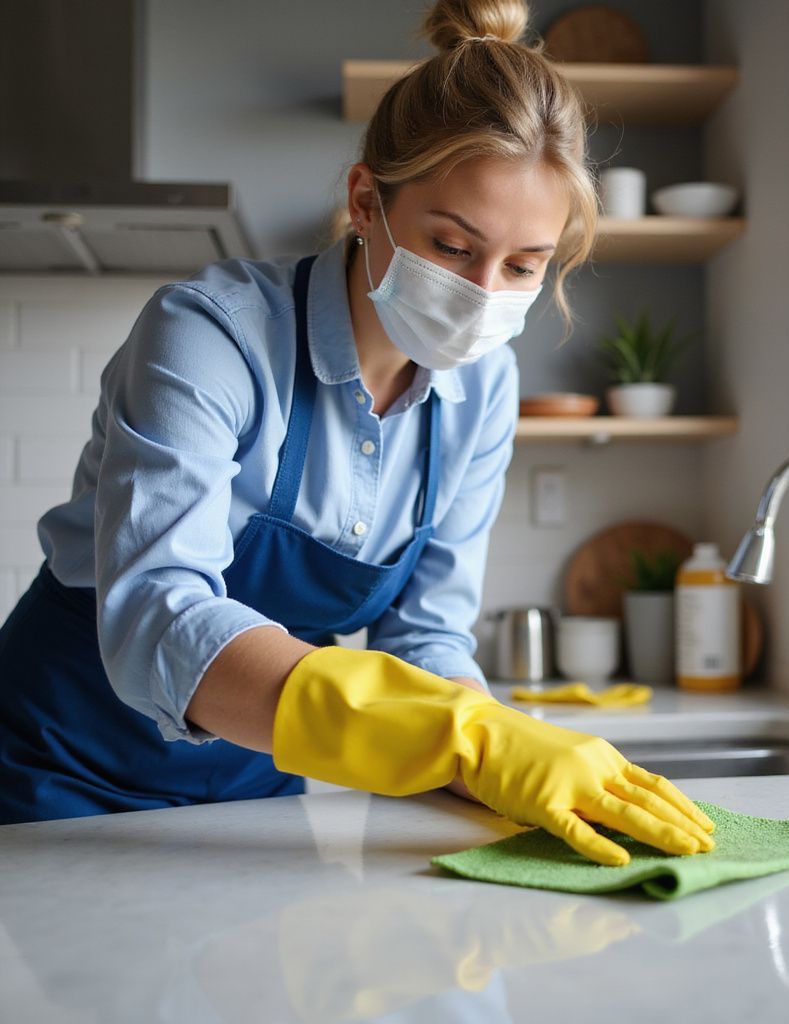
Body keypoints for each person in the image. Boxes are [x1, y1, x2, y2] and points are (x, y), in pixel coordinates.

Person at [0, 0, 714, 864]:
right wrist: (463, 740)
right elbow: (159, 614)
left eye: (524, 266)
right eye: (453, 247)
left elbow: (424, 640)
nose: (486, 292)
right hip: (59, 765)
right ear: (366, 200)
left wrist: (490, 755)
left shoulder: (483, 385)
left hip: (255, 780)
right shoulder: (209, 336)